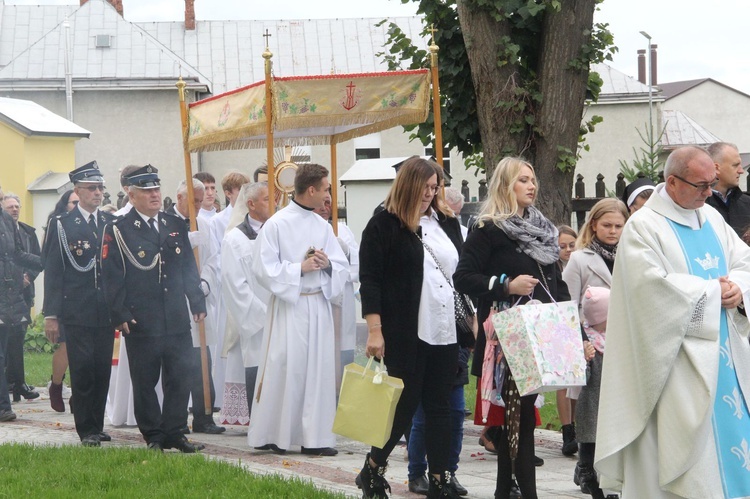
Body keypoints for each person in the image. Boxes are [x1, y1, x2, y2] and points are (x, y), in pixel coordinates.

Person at [596, 146, 750, 498]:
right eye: (701, 186)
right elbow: (649, 292)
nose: (709, 193)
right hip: (674, 366)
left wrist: (738, 289)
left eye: (711, 183)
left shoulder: (711, 219)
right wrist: (713, 293)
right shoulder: (644, 228)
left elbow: (744, 261)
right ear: (672, 182)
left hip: (727, 361)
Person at [453, 157, 580, 499]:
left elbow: (556, 285)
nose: (532, 185)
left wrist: (577, 333)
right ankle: (525, 492)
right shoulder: (488, 229)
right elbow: (463, 277)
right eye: (523, 180)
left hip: (542, 333)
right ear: (506, 186)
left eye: (533, 179)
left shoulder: (544, 230)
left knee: (520, 418)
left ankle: (504, 489)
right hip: (507, 338)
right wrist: (505, 286)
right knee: (518, 419)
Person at [357, 156, 463, 498]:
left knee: (441, 407)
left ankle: (440, 479)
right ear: (408, 185)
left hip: (445, 327)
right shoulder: (383, 225)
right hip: (406, 328)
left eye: (435, 188)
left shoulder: (445, 221)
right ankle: (373, 468)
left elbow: (457, 273)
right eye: (425, 187)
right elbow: (369, 280)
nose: (430, 194)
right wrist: (375, 329)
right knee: (404, 405)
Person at [101, 165, 207, 453]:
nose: (154, 195)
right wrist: (119, 313)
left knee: (180, 375)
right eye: (147, 190)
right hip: (141, 317)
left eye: (157, 189)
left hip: (174, 314)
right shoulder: (118, 229)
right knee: (145, 380)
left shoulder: (174, 224)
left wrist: (196, 300)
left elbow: (187, 267)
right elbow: (111, 275)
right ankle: (154, 436)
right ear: (131, 195)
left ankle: (175, 432)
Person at [248, 163, 348, 456]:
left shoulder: (322, 226)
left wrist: (329, 265)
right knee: (286, 368)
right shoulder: (276, 224)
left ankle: (316, 438)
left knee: (319, 372)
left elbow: (342, 266)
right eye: (327, 188)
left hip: (318, 305)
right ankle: (276, 434)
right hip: (290, 307)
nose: (329, 194)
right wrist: (298, 270)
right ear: (312, 190)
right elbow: (262, 269)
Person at [43, 161, 116, 447]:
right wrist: (52, 314)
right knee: (83, 369)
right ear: (78, 190)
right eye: (91, 188)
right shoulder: (62, 225)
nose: (98, 193)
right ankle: (85, 429)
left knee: (101, 369)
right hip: (76, 309)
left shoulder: (110, 223)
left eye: (100, 188)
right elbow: (54, 271)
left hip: (105, 309)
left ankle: (97, 425)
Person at [561, 198, 627, 494]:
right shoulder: (580, 259)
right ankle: (586, 464)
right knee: (591, 407)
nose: (613, 231)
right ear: (594, 225)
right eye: (607, 225)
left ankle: (614, 465)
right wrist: (582, 342)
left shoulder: (631, 255)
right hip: (592, 345)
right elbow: (568, 304)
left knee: (620, 408)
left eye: (618, 226)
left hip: (624, 341)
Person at [166, 179, 224, 435]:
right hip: (176, 303)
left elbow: (213, 260)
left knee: (203, 360)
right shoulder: (165, 223)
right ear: (180, 198)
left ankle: (204, 416)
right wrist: (187, 243)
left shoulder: (204, 224)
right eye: (194, 201)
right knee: (180, 363)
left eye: (201, 201)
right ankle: (177, 419)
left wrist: (204, 283)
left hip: (199, 299)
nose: (199, 207)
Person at [219, 181, 272, 425]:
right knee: (257, 363)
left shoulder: (277, 231)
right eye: (267, 199)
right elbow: (233, 284)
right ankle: (259, 426)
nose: (274, 203)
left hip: (283, 313)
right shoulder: (235, 239)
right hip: (257, 319)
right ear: (250, 204)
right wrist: (263, 315)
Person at [205, 171, 251, 411]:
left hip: (248, 287)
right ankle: (223, 399)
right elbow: (216, 256)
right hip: (227, 290)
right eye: (238, 191)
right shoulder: (219, 221)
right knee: (226, 342)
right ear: (229, 193)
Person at [0, 186, 42, 422]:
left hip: (8, 297)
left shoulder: (5, 219)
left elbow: (16, 254)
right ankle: (3, 406)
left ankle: (3, 406)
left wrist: (46, 261)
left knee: (2, 354)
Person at [312, 191, 360, 392]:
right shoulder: (307, 229)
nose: (325, 207)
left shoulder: (343, 230)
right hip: (318, 302)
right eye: (321, 202)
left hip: (343, 302)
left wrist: (346, 253)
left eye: (328, 203)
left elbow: (358, 264)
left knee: (343, 357)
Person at [43, 189, 79, 412]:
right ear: (64, 205)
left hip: (86, 299)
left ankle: (79, 394)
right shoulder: (57, 225)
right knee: (67, 347)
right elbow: (51, 267)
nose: (76, 206)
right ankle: (56, 385)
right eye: (73, 202)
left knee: (85, 352)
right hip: (65, 297)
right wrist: (51, 312)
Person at [555, 223, 578, 456]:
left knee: (577, 381)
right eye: (562, 246)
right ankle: (567, 429)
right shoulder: (552, 268)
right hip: (559, 324)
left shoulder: (581, 264)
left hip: (578, 322)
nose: (568, 250)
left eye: (572, 245)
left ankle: (576, 427)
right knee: (563, 381)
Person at [705, 141, 750, 236]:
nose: (741, 171)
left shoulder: (747, 204)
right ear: (716, 168)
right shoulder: (698, 206)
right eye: (735, 165)